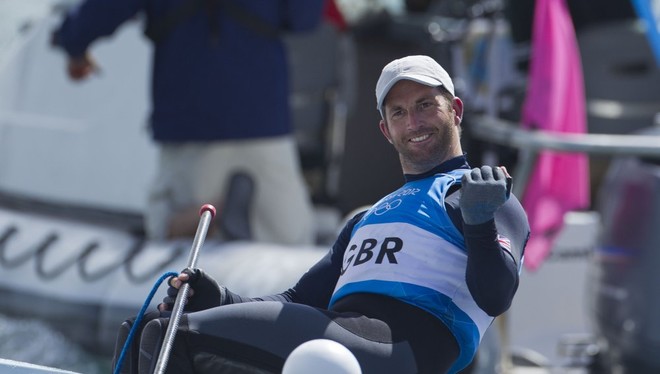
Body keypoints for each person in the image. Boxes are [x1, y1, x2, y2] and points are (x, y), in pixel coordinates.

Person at [112, 55, 530, 374]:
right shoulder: (370, 216)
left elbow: (496, 296)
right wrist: (219, 298)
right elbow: (297, 298)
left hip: (402, 350)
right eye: (398, 112)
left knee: (170, 336)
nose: (414, 121)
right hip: (336, 332)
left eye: (425, 105)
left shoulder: (479, 194)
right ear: (386, 130)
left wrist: (478, 222)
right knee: (143, 326)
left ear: (455, 110)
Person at [51, 0, 325, 245]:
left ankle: (209, 216)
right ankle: (230, 217)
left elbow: (104, 10)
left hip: (192, 124)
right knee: (289, 239)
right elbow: (304, 19)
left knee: (166, 230)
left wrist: (72, 44)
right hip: (265, 124)